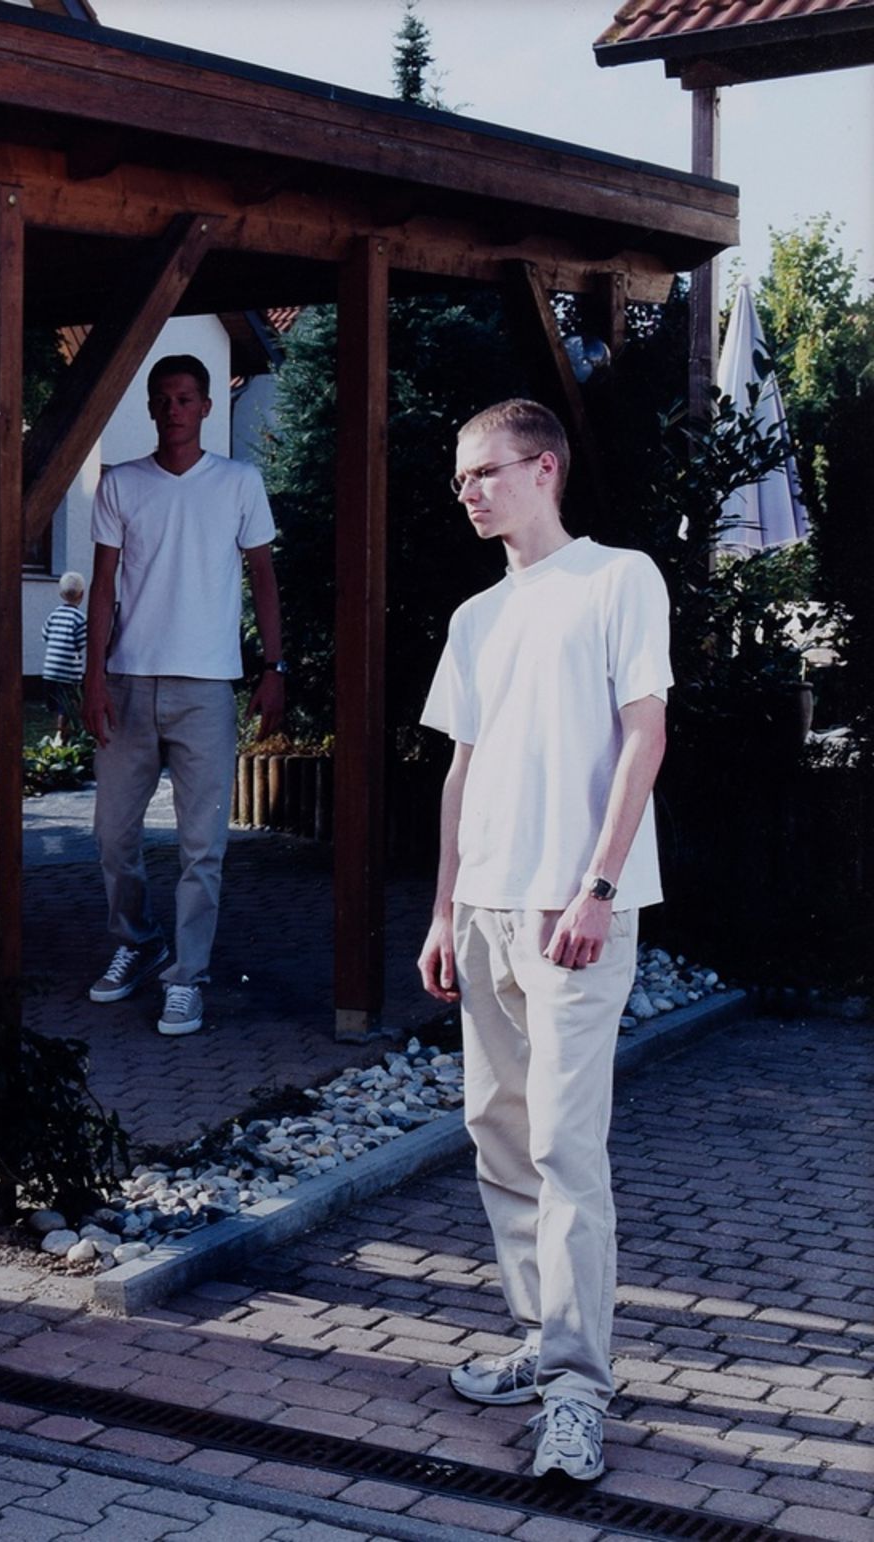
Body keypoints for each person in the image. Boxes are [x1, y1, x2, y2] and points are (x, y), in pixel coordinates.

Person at [417, 399, 671, 1484]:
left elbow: (645, 734)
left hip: (576, 916)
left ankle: (577, 1391)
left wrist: (599, 886)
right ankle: (540, 1336)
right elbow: (460, 773)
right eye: (462, 478)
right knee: (501, 1135)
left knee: (569, 1152)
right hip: (485, 913)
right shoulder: (477, 617)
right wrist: (442, 909)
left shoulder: (620, 578)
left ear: (545, 469)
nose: (467, 491)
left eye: (484, 472)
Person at [83, 353, 284, 1037]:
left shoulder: (238, 483)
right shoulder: (122, 485)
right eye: (163, 399)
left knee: (203, 846)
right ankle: (139, 942)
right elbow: (103, 587)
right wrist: (91, 678)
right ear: (150, 407)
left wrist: (274, 666)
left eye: (187, 398)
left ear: (206, 407)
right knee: (113, 835)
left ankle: (187, 977)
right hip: (128, 681)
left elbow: (263, 576)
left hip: (207, 686)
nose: (174, 410)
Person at [40, 570, 88, 741]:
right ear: (82, 594)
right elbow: (81, 642)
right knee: (67, 704)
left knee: (56, 703)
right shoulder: (80, 619)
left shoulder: (54, 615)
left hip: (50, 669)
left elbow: (45, 634)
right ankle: (61, 735)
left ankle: (60, 731)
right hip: (68, 671)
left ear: (61, 594)